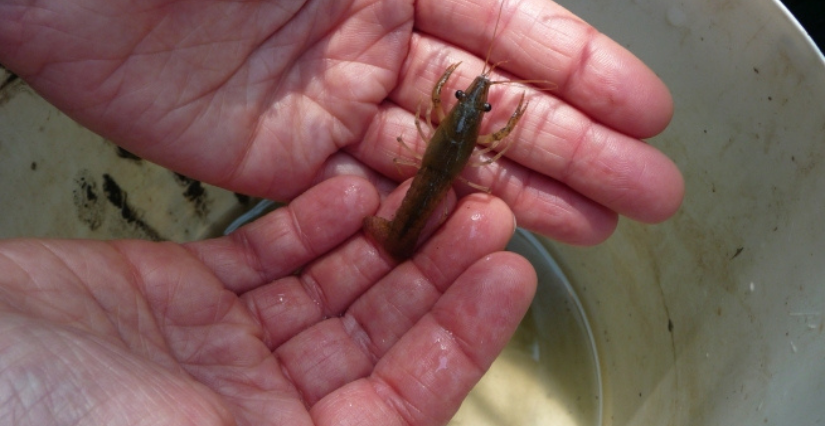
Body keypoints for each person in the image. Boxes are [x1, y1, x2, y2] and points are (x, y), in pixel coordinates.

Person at [0, 0, 684, 424]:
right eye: (468, 102)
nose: (470, 102)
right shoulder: (457, 126)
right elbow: (465, 119)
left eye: (471, 106)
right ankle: (400, 237)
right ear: (457, 115)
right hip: (433, 177)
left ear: (459, 121)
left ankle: (398, 235)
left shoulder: (444, 121)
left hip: (428, 177)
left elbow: (439, 107)